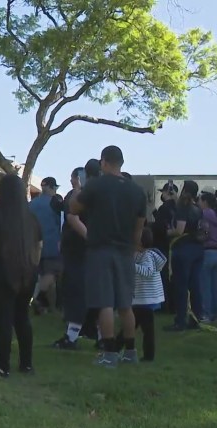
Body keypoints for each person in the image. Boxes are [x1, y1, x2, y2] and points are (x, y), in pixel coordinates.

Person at [69, 146, 146, 368]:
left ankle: (109, 352)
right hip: (125, 251)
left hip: (100, 249)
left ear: (103, 162)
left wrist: (78, 189)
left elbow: (74, 208)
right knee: (125, 303)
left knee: (104, 302)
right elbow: (139, 227)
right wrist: (132, 247)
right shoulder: (136, 191)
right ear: (121, 162)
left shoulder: (96, 186)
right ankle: (130, 351)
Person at [0, 174, 42, 377]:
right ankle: (26, 364)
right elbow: (39, 247)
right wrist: (33, 266)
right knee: (22, 317)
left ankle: (2, 365)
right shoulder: (31, 218)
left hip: (0, 272)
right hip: (27, 273)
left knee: (3, 319)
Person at [53, 161, 100, 350]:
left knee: (76, 293)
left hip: (80, 251)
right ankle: (98, 333)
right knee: (95, 294)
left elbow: (72, 216)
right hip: (94, 251)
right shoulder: (104, 194)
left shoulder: (83, 196)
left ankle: (73, 336)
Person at [165, 180, 204, 332]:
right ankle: (196, 318)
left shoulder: (182, 206)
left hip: (183, 249)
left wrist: (168, 232)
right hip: (198, 248)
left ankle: (180, 320)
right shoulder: (198, 208)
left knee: (181, 286)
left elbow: (179, 229)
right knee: (195, 285)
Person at [130, 228, 165, 362]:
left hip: (146, 299)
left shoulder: (147, 256)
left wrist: (132, 266)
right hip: (141, 299)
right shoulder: (139, 254)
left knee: (145, 330)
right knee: (137, 326)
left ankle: (148, 356)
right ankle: (117, 347)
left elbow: (148, 272)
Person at [28, 177, 63, 314]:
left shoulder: (32, 204)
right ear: (51, 187)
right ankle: (37, 299)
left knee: (41, 275)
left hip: (34, 245)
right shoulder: (55, 204)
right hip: (52, 244)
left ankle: (45, 308)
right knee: (52, 273)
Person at [198, 190, 217, 323]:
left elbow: (205, 232)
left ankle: (206, 314)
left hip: (207, 251)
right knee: (215, 286)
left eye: (200, 201)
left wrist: (198, 237)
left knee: (205, 286)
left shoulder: (204, 214)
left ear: (205, 202)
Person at [152, 182, 178, 313]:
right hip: (174, 245)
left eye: (163, 191)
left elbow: (160, 228)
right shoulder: (177, 208)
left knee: (162, 276)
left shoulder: (165, 208)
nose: (161, 194)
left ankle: (163, 305)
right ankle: (170, 305)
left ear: (168, 192)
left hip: (162, 245)